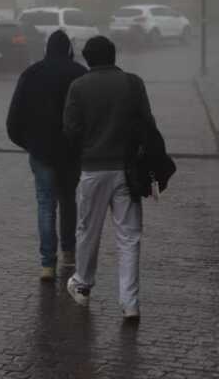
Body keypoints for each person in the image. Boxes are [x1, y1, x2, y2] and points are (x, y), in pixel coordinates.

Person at [63, 35, 164, 322]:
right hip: (127, 171)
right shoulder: (133, 83)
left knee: (87, 230)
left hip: (93, 170)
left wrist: (86, 147)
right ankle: (130, 303)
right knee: (129, 237)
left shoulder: (78, 87)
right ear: (113, 56)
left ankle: (83, 284)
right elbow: (148, 124)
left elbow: (70, 130)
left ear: (88, 59)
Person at [6, 30, 87, 281]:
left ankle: (47, 265)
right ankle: (69, 253)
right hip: (71, 152)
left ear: (46, 48)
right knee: (68, 201)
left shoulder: (31, 74)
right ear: (69, 50)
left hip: (41, 152)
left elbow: (14, 119)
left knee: (45, 205)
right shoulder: (80, 74)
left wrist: (30, 144)